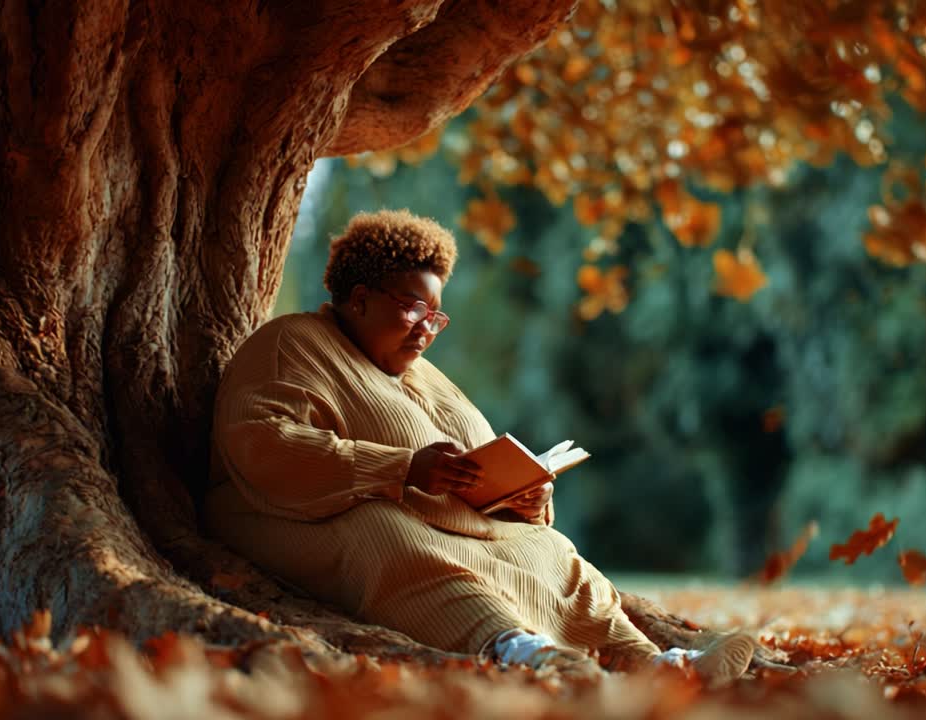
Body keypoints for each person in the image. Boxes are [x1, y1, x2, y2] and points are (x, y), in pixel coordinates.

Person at [202, 209, 757, 683]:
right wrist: (400, 467)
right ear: (360, 298)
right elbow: (262, 442)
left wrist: (527, 498)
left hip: (453, 521)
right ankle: (519, 651)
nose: (425, 327)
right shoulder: (291, 343)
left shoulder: (428, 376)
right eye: (411, 307)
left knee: (549, 551)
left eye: (435, 315)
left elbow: (486, 457)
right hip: (305, 516)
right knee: (388, 536)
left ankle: (655, 663)